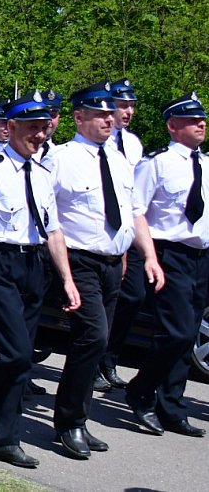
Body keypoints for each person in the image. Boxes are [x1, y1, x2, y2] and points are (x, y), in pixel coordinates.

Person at [0, 90, 81, 468]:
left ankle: (7, 438)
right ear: (10, 128)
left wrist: (67, 280)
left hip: (33, 266)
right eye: (32, 128)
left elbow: (53, 232)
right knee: (17, 353)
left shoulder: (43, 173)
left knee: (19, 359)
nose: (40, 135)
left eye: (44, 128)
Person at [46, 80, 164, 459]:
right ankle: (67, 421)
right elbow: (49, 217)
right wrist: (62, 272)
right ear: (78, 117)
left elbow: (133, 212)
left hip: (115, 263)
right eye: (100, 114)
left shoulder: (119, 159)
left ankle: (79, 419)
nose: (109, 120)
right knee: (92, 337)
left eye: (111, 114)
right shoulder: (61, 158)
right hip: (79, 260)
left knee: (99, 342)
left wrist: (147, 254)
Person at [124, 92, 208, 438]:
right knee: (175, 331)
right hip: (168, 253)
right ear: (174, 126)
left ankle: (171, 405)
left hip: (201, 257)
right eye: (192, 120)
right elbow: (136, 209)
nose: (201, 124)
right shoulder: (156, 163)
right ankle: (141, 391)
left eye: (202, 119)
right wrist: (150, 257)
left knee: (187, 335)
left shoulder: (205, 164)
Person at [97, 78, 147, 391]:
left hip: (127, 232)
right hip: (101, 233)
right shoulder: (97, 144)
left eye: (130, 105)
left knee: (133, 296)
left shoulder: (133, 144)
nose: (126, 111)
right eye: (121, 104)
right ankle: (92, 363)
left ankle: (109, 358)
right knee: (100, 304)